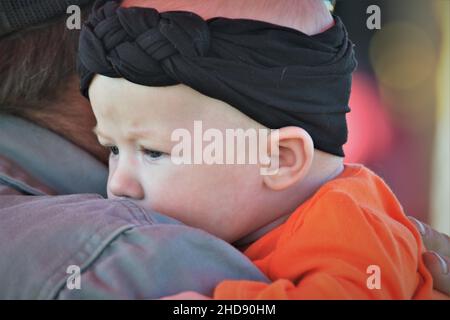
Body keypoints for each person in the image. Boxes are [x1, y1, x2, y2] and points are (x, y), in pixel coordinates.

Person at [0, 0, 448, 298]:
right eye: (113, 148)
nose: (116, 185)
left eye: (153, 152)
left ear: (280, 158)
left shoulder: (350, 220)